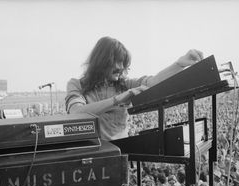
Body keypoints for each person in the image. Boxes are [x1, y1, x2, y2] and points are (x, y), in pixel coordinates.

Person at [65, 36, 204, 140]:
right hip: (94, 157)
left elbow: (153, 82)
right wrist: (116, 100)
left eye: (123, 63)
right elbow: (76, 113)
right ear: (101, 60)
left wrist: (179, 64)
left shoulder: (126, 85)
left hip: (121, 154)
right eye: (116, 62)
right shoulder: (77, 84)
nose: (120, 67)